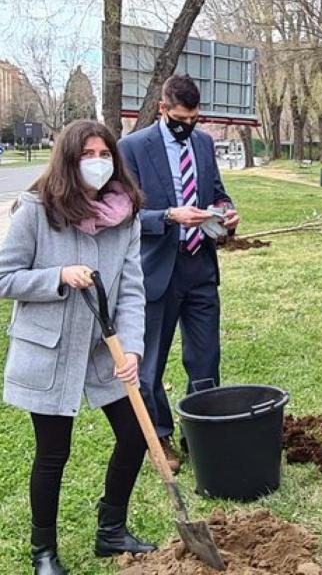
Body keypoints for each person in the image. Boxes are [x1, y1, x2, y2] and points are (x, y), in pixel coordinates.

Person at [0, 120, 156, 574]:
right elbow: (5, 278)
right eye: (86, 154)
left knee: (134, 436)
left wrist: (131, 350)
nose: (97, 162)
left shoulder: (125, 215)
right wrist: (57, 277)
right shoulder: (35, 210)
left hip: (101, 348)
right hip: (48, 349)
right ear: (69, 159)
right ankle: (43, 553)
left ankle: (111, 531)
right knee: (53, 454)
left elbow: (131, 289)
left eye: (104, 153)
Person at [118, 74, 239, 472]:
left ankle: (201, 431)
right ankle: (161, 436)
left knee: (205, 357)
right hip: (156, 270)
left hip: (200, 266)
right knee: (150, 363)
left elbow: (217, 191)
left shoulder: (203, 143)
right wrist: (169, 216)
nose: (187, 126)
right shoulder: (133, 148)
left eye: (194, 119)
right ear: (162, 109)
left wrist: (226, 211)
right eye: (180, 118)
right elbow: (124, 213)